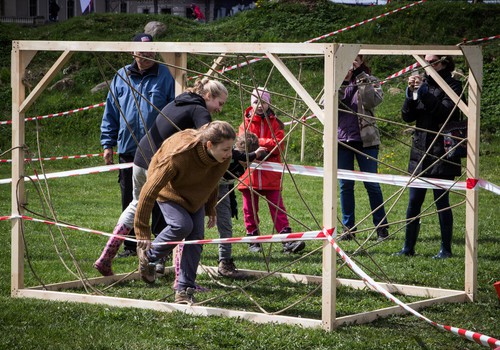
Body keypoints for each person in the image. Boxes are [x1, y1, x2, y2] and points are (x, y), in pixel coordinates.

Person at [94, 78, 228, 276]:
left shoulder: (179, 101)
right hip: (160, 163)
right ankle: (172, 273)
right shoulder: (199, 111)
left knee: (136, 204)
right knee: (181, 212)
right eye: (220, 103)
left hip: (141, 158)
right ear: (208, 96)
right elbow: (209, 141)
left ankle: (107, 255)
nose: (219, 109)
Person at [135, 121, 236, 305]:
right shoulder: (180, 155)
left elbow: (212, 180)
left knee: (196, 238)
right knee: (182, 225)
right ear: (209, 145)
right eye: (226, 149)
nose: (230, 154)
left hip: (194, 196)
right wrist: (142, 230)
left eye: (231, 148)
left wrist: (210, 206)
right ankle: (148, 256)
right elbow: (149, 190)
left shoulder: (223, 158)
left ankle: (184, 289)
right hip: (168, 190)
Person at [100, 33, 175, 258]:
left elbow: (174, 110)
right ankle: (130, 245)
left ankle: (161, 245)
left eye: (150, 50)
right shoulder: (121, 76)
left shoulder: (166, 75)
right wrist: (108, 144)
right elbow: (111, 112)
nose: (147, 54)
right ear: (132, 52)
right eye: (142, 51)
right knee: (131, 198)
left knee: (162, 196)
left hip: (158, 148)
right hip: (128, 148)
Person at [394, 55, 462, 259]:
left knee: (442, 202)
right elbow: (408, 116)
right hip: (419, 152)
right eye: (424, 61)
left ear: (443, 63)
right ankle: (408, 248)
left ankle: (446, 249)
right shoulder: (422, 85)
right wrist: (411, 94)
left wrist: (424, 93)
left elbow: (446, 113)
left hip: (442, 152)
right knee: (414, 201)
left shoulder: (454, 86)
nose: (425, 65)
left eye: (430, 61)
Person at [237, 88, 305, 254]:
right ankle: (253, 239)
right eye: (256, 101)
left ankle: (286, 240)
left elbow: (278, 144)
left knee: (278, 208)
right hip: (249, 176)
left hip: (271, 175)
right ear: (250, 104)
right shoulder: (245, 123)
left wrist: (258, 143)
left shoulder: (276, 123)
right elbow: (243, 144)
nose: (260, 105)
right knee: (249, 210)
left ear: (269, 103)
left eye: (264, 101)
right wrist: (261, 145)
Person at [336, 54, 389, 242]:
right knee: (345, 186)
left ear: (361, 61)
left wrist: (360, 76)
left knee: (372, 185)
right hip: (342, 141)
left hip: (366, 141)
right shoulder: (335, 80)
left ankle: (381, 227)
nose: (351, 64)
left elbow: (371, 101)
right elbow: (327, 104)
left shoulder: (370, 80)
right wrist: (342, 81)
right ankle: (348, 228)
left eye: (355, 60)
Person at [217, 133, 267, 278]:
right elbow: (235, 154)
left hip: (223, 190)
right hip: (205, 186)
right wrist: (250, 155)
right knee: (195, 226)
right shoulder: (229, 154)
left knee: (226, 225)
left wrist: (257, 154)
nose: (246, 163)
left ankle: (224, 261)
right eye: (245, 159)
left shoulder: (247, 158)